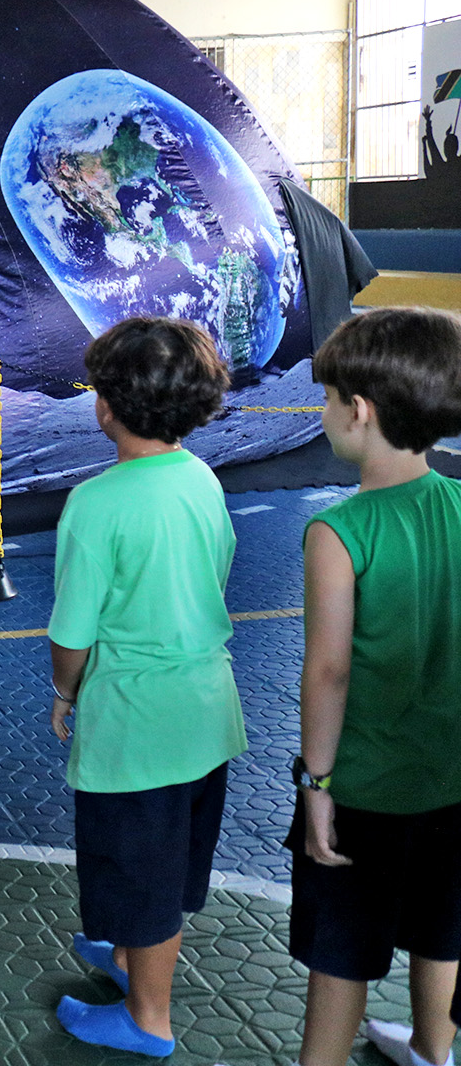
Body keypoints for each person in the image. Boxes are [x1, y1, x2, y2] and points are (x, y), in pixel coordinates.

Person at [46, 316, 243, 1059]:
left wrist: (65, 693)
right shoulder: (202, 479)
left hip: (136, 729)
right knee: (168, 861)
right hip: (207, 713)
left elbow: (72, 635)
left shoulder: (96, 503)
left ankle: (147, 1020)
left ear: (105, 406)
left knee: (143, 875)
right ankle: (128, 959)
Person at [287, 308, 461, 1066]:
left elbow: (328, 672)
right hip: (452, 781)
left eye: (327, 399)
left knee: (343, 953)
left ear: (358, 410)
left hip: (365, 788)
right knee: (442, 929)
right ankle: (431, 1051)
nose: (325, 412)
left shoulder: (338, 532)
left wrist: (317, 783)